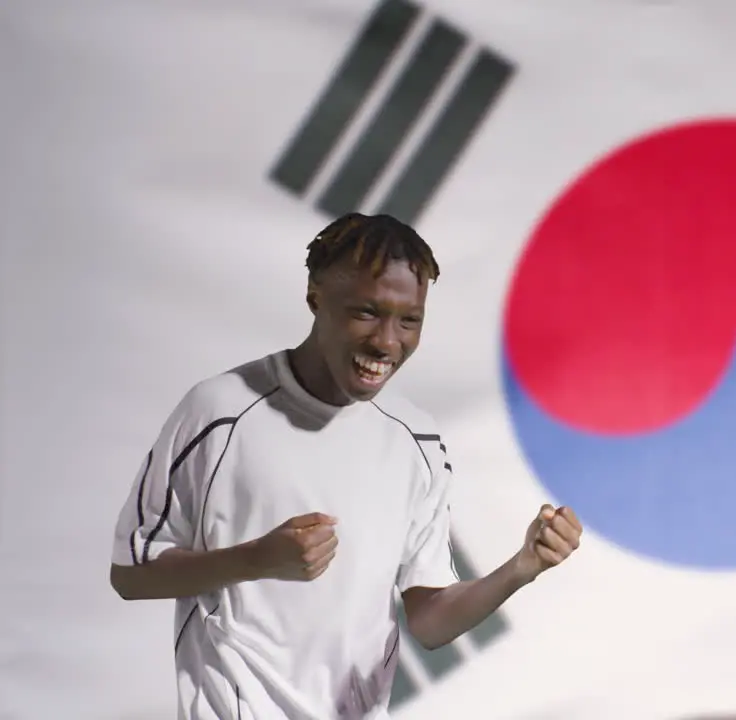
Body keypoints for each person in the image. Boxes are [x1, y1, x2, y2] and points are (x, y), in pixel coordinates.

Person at [108, 212, 583, 719]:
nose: (386, 341)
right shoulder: (218, 413)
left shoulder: (415, 442)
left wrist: (520, 569)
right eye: (366, 312)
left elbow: (429, 621)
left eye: (409, 320)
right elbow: (131, 574)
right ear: (315, 296)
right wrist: (257, 559)